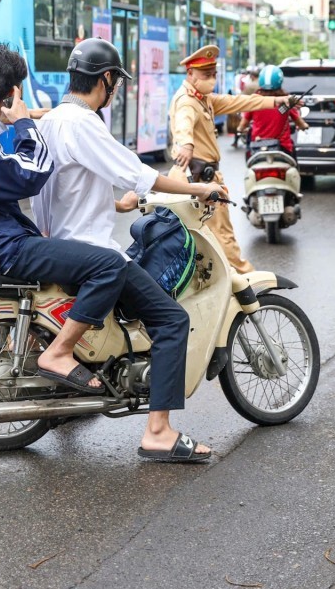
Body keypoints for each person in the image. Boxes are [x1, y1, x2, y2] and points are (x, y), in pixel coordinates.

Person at [31, 38, 222, 461]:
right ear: (106, 80)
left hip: (58, 243)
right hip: (90, 251)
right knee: (172, 320)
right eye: (115, 81)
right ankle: (158, 432)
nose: (114, 89)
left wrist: (115, 203)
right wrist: (199, 188)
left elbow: (70, 184)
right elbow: (142, 176)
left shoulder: (53, 120)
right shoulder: (84, 124)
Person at [0, 42, 131, 398]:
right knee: (107, 265)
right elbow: (35, 172)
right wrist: (27, 123)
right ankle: (58, 355)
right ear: (14, 92)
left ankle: (58, 373)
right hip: (3, 248)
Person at [169, 46, 295, 273]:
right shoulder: (187, 102)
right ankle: (249, 285)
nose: (211, 79)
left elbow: (241, 102)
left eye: (213, 75)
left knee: (198, 239)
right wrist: (186, 144)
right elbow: (183, 124)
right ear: (190, 74)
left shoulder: (203, 99)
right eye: (206, 75)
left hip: (198, 177)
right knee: (223, 236)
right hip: (199, 179)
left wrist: (278, 101)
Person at [236, 64, 309, 159]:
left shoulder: (255, 100)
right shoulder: (286, 101)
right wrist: (304, 126)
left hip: (258, 147)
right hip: (282, 148)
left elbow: (243, 124)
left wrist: (240, 129)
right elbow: (298, 121)